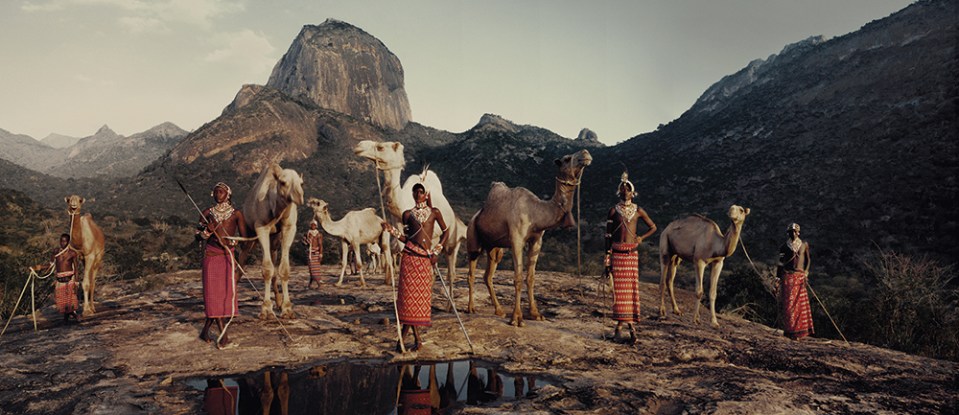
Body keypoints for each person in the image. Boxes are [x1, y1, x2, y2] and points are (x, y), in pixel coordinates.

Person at [383, 183, 449, 352]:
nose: (418, 194)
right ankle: (410, 341)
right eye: (416, 191)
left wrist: (437, 251)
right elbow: (407, 238)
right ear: (413, 194)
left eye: (421, 192)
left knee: (418, 303)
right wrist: (391, 230)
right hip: (409, 259)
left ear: (425, 194)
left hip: (424, 261)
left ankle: (403, 341)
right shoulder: (407, 215)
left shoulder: (435, 213)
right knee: (408, 303)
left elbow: (446, 232)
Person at [604, 172, 657, 344]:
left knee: (631, 292)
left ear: (632, 192)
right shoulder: (613, 210)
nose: (624, 191)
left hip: (631, 256)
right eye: (622, 189)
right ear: (618, 191)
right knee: (619, 294)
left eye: (627, 189)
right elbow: (607, 237)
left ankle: (630, 327)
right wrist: (607, 261)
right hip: (617, 255)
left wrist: (641, 238)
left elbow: (653, 227)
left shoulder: (639, 210)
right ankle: (620, 328)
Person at [196, 182, 247, 347]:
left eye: (222, 192)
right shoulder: (207, 213)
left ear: (228, 194)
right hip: (211, 257)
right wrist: (207, 231)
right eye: (216, 192)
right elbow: (197, 237)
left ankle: (205, 332)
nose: (219, 194)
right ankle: (223, 336)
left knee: (224, 296)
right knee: (213, 295)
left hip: (228, 257)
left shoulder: (236, 214)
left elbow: (244, 238)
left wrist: (233, 242)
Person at [33, 233, 81, 323]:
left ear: (68, 242)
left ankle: (70, 317)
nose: (62, 243)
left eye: (64, 241)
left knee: (70, 302)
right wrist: (39, 267)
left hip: (69, 280)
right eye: (61, 241)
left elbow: (76, 269)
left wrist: (76, 283)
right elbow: (51, 265)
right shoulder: (56, 252)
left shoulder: (72, 253)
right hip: (60, 281)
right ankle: (71, 316)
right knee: (62, 303)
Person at [777, 223, 814, 340]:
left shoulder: (804, 245)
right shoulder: (784, 247)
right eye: (790, 232)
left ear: (798, 232)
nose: (792, 233)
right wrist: (777, 278)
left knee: (800, 305)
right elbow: (780, 263)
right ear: (788, 233)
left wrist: (806, 272)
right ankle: (790, 332)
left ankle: (800, 332)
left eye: (794, 231)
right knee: (789, 305)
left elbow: (808, 260)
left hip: (799, 277)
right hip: (787, 277)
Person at [302, 220, 323, 289]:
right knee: (311, 269)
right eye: (312, 225)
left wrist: (320, 253)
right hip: (309, 253)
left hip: (315, 253)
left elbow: (320, 245)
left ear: (316, 226)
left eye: (314, 225)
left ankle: (319, 284)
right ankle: (310, 284)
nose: (313, 226)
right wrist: (305, 241)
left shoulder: (318, 234)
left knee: (315, 269)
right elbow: (304, 243)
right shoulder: (307, 233)